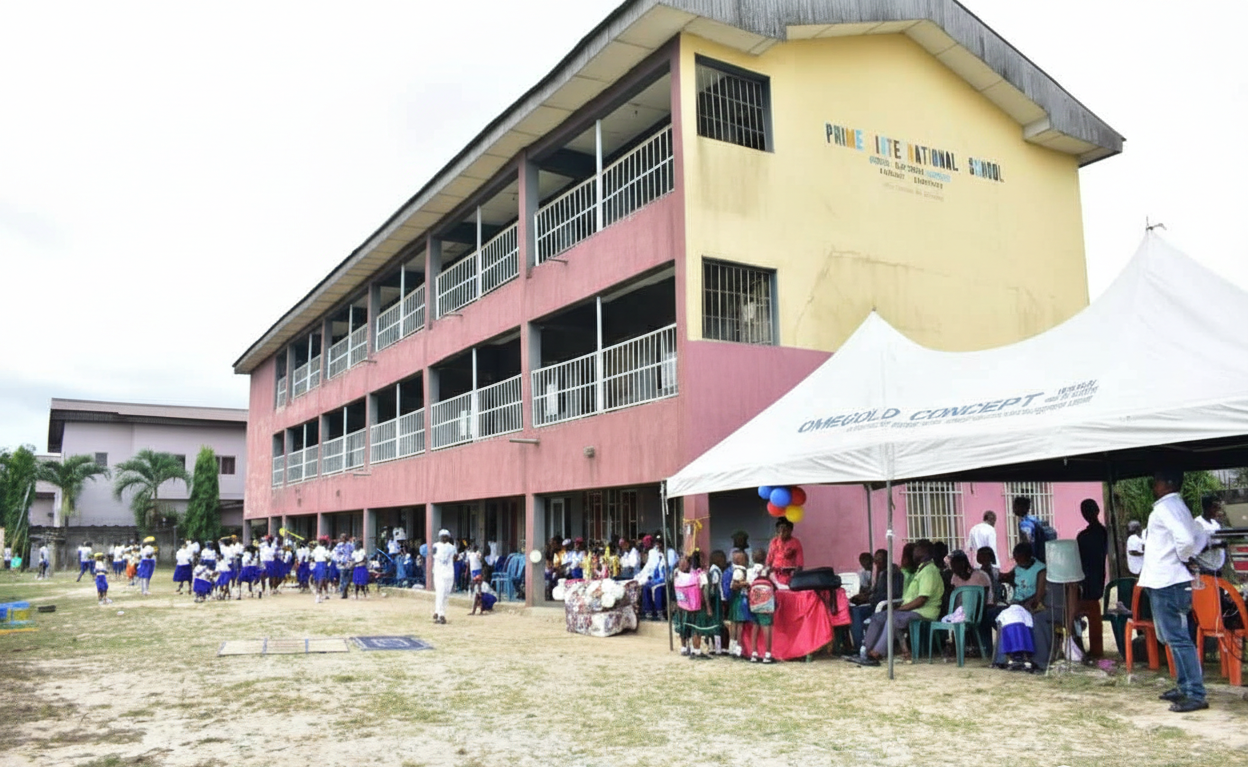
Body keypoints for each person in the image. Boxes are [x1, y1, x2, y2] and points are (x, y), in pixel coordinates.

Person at [1141, 470, 1208, 713]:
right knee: (1173, 638)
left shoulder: (1166, 508)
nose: (1154, 484)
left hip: (1168, 581)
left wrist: (1182, 556)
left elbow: (1187, 539)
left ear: (1167, 483)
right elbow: (1199, 535)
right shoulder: (1177, 506)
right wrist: (1185, 557)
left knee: (1179, 639)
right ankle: (1184, 686)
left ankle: (1195, 693)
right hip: (1166, 580)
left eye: (1156, 480)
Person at [854, 540, 943, 665]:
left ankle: (877, 653)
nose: (914, 552)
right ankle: (865, 651)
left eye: (917, 549)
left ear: (925, 552)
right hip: (912, 610)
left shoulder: (929, 571)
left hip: (924, 612)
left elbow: (922, 599)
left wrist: (901, 609)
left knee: (892, 618)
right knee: (878, 617)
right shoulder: (921, 570)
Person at [849, 549, 903, 652]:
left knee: (857, 613)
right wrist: (863, 596)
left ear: (887, 559)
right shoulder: (881, 572)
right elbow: (874, 590)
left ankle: (860, 647)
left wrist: (869, 598)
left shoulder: (893, 573)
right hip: (875, 603)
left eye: (879, 560)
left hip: (885, 605)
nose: (876, 563)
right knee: (853, 610)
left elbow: (893, 594)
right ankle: (859, 645)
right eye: (875, 560)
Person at [1075, 498, 1109, 657]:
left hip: (1089, 578)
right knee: (1091, 616)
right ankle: (1089, 648)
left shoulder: (1088, 535)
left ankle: (1094, 649)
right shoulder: (1101, 533)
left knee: (1091, 615)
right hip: (1092, 577)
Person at [745, 548, 774, 663]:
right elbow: (774, 583)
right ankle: (767, 654)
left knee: (755, 626)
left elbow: (748, 585)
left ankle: (754, 653)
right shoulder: (767, 571)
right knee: (766, 627)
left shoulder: (749, 571)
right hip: (765, 602)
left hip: (754, 602)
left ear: (752, 558)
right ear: (765, 558)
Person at [765, 518, 803, 586]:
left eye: (784, 531)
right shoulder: (774, 542)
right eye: (779, 531)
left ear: (790, 531)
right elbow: (769, 560)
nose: (781, 533)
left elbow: (799, 563)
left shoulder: (795, 542)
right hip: (775, 575)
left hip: (789, 575)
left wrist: (796, 574)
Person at [1195, 495, 1227, 575]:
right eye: (1214, 507)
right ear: (1207, 508)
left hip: (1217, 567)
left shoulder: (1215, 524)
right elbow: (1196, 549)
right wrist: (1215, 546)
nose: (1217, 510)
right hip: (1204, 567)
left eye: (1218, 508)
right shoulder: (1198, 523)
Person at [1013, 497, 1048, 563]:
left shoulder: (1025, 524)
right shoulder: (1033, 519)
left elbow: (1027, 542)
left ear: (1021, 507)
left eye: (1015, 506)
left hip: (1034, 558)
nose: (1013, 509)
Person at [431, 529, 456, 624]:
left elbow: (455, 557)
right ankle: (440, 614)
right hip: (439, 573)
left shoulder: (452, 547)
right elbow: (433, 554)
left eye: (446, 536)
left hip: (449, 573)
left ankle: (439, 612)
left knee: (446, 594)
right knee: (440, 593)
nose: (444, 538)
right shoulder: (436, 546)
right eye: (443, 536)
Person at [311, 536, 331, 603]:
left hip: (317, 564)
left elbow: (312, 557)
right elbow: (328, 557)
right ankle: (318, 595)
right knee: (321, 579)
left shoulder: (316, 549)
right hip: (322, 564)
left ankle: (319, 594)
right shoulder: (324, 549)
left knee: (318, 579)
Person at [333, 535, 354, 600]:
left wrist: (352, 561)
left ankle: (345, 590)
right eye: (342, 538)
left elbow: (353, 554)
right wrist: (339, 561)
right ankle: (343, 592)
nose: (343, 539)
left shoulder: (350, 545)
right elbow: (335, 554)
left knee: (348, 579)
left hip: (349, 564)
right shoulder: (339, 545)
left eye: (344, 538)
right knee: (342, 578)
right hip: (341, 564)